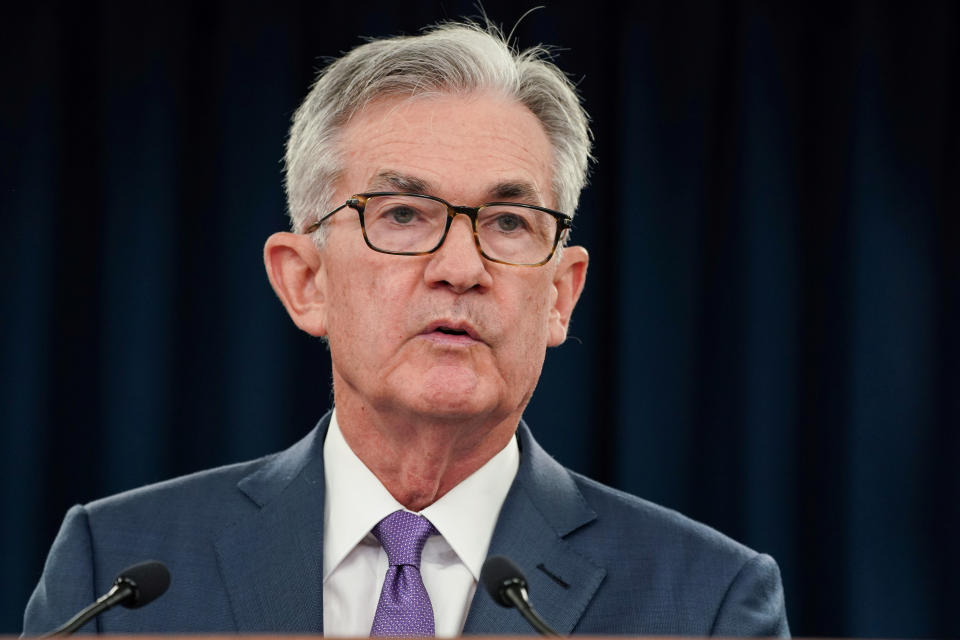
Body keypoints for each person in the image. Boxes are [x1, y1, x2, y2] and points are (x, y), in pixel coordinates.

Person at [23, 21, 789, 637]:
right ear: (305, 280)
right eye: (401, 215)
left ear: (560, 293)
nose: (461, 266)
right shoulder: (118, 574)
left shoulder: (708, 601)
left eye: (510, 222)